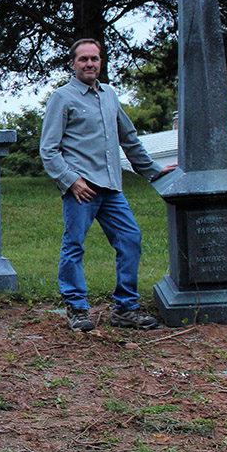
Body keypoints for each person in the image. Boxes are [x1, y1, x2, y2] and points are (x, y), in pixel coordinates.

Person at [40, 39, 169, 331]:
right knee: (74, 245)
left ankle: (125, 309)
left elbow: (129, 138)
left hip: (111, 188)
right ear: (72, 64)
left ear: (101, 62)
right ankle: (77, 308)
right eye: (83, 59)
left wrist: (154, 171)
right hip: (81, 189)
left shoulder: (109, 95)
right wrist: (71, 181)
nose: (90, 64)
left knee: (130, 240)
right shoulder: (62, 97)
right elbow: (49, 149)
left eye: (95, 59)